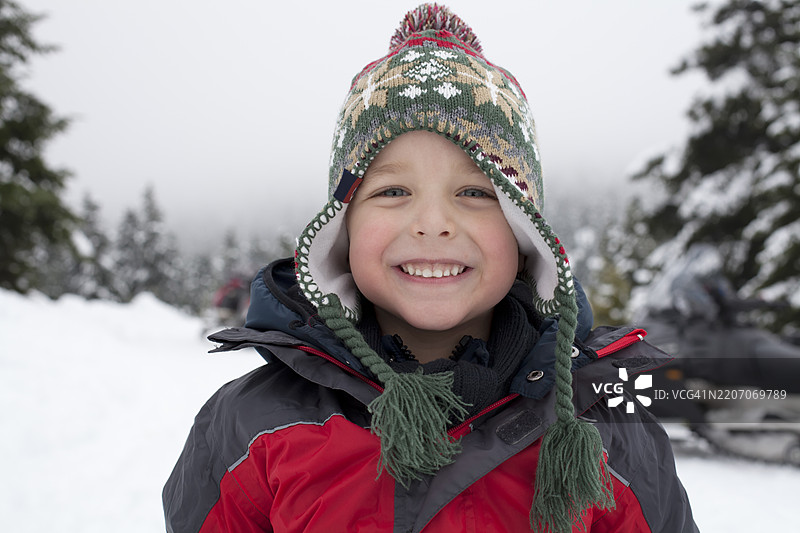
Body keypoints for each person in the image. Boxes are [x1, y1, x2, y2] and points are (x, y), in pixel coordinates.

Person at [163, 5, 697, 532]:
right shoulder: (254, 427)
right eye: (393, 190)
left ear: (523, 229)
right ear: (342, 228)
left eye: (474, 192)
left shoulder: (604, 431)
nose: (433, 223)